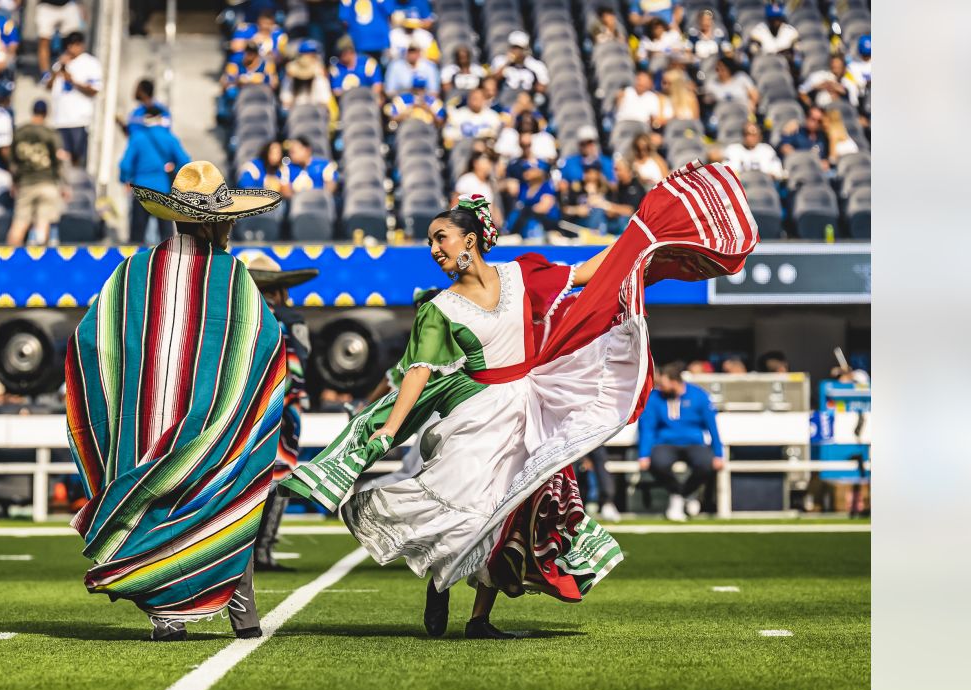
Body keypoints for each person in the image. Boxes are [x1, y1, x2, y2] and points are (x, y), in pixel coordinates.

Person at [283, 161, 758, 638]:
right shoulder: (439, 309)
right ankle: (441, 581)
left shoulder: (520, 275)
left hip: (530, 406)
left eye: (440, 238)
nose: (433, 249)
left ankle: (480, 619)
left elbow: (590, 273)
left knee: (511, 511)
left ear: (469, 240)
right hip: (477, 415)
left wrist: (639, 240)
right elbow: (417, 373)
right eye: (431, 241)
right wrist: (388, 430)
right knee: (462, 504)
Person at [68, 160, 286, 641]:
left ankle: (166, 616)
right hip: (212, 422)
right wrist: (230, 403)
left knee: (156, 509)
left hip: (143, 429)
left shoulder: (131, 274)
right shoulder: (231, 276)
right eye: (228, 219)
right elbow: (264, 346)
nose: (231, 226)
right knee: (226, 494)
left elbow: (90, 341)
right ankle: (241, 612)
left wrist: (124, 394)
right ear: (215, 222)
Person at [241, 254, 319, 572]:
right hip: (282, 409)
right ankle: (263, 550)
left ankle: (245, 552)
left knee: (250, 479)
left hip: (252, 408)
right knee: (278, 476)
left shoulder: (247, 316)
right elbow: (300, 358)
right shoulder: (290, 318)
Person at [637, 361, 725, 521]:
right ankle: (679, 494)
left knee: (706, 463)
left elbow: (712, 426)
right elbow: (647, 428)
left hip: (694, 443)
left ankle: (685, 494)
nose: (660, 386)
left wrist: (719, 453)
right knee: (657, 462)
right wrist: (643, 454)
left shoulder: (699, 395)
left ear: (674, 381)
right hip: (665, 443)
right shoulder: (655, 398)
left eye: (663, 383)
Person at [119, 107, 192, 244]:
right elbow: (185, 162)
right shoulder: (169, 138)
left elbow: (125, 165)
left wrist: (125, 179)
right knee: (166, 238)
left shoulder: (137, 139)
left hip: (141, 191)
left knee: (137, 237)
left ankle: (137, 264)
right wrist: (173, 168)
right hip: (163, 191)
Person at [7, 100, 67, 247]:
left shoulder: (20, 132)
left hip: (26, 183)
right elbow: (59, 159)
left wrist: (14, 182)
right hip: (47, 183)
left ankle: (8, 262)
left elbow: (12, 161)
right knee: (43, 223)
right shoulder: (50, 133)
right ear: (46, 113)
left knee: (19, 223)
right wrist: (64, 184)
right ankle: (39, 263)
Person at [48, 32, 103, 167]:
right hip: (60, 120)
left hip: (79, 119)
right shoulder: (60, 64)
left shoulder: (90, 63)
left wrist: (73, 81)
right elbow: (48, 86)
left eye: (75, 45)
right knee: (60, 159)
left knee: (77, 158)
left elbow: (94, 90)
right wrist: (58, 69)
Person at [615, 71, 674, 143]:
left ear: (650, 83)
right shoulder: (625, 92)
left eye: (644, 81)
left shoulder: (653, 98)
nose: (641, 83)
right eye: (639, 79)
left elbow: (655, 120)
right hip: (623, 130)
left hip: (643, 132)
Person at [280, 43, 336, 115]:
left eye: (313, 54)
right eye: (309, 54)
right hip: (295, 115)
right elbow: (285, 104)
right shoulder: (290, 77)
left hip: (314, 114)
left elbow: (324, 101)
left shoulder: (319, 78)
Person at [561, 164, 616, 234]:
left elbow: (611, 210)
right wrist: (576, 210)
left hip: (602, 223)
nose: (589, 175)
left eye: (592, 172)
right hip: (580, 224)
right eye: (587, 172)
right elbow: (565, 209)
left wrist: (592, 194)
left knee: (598, 209)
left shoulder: (607, 190)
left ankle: (595, 234)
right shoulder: (577, 189)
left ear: (598, 174)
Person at [491, 31, 549, 96]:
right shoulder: (500, 61)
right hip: (503, 100)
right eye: (514, 47)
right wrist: (507, 62)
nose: (516, 51)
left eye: (519, 48)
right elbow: (492, 81)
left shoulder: (537, 65)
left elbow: (542, 88)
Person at [35, 0, 84, 76]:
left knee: (73, 39)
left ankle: (70, 70)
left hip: (68, 4)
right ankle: (45, 75)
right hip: (46, 5)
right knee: (44, 40)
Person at [329, 36, 384, 102]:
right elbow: (336, 91)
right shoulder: (336, 69)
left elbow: (377, 85)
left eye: (341, 53)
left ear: (350, 51)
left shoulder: (368, 64)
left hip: (368, 101)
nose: (340, 57)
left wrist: (366, 96)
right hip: (347, 103)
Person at [608, 158, 648, 232]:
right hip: (617, 221)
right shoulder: (619, 186)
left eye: (618, 170)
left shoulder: (635, 187)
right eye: (615, 170)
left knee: (623, 219)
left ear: (628, 171)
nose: (615, 173)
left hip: (636, 225)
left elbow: (630, 211)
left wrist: (609, 207)